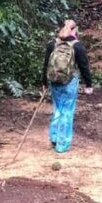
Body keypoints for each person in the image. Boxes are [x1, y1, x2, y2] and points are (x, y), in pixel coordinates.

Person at [42, 20, 93, 153]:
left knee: (57, 109)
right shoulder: (77, 46)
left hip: (54, 82)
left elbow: (46, 65)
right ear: (74, 30)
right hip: (69, 82)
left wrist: (43, 83)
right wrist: (89, 84)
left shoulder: (52, 44)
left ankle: (54, 138)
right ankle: (62, 145)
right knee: (67, 111)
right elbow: (84, 67)